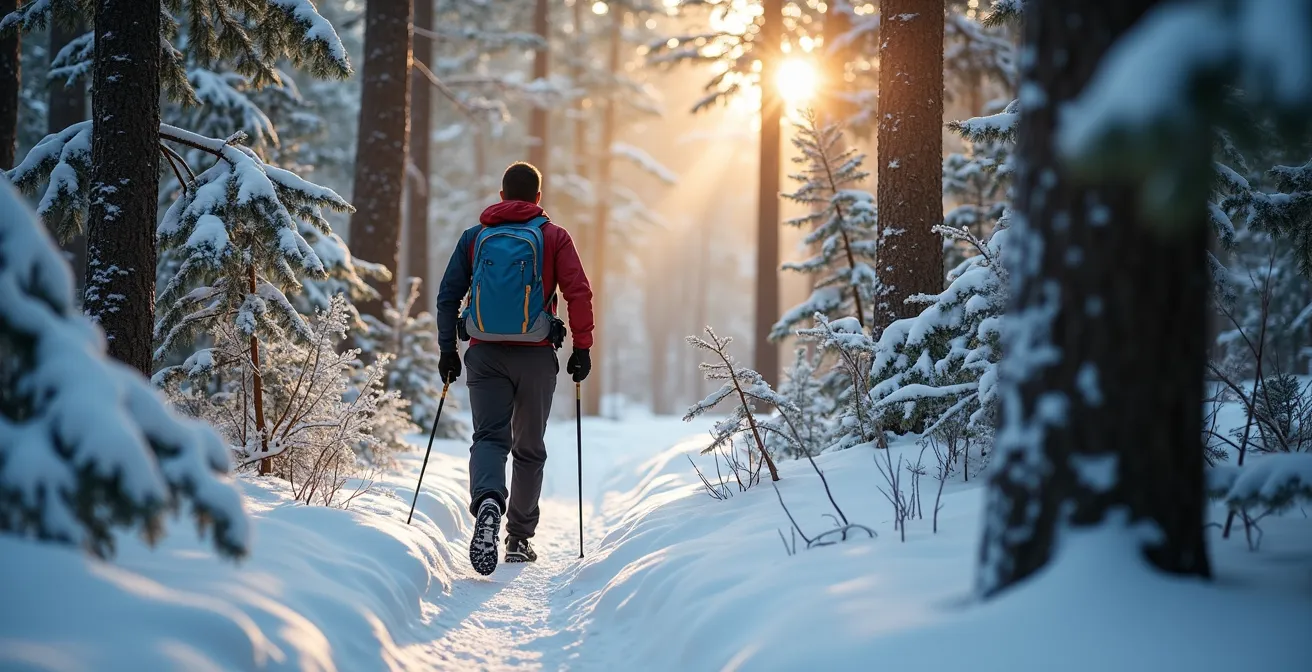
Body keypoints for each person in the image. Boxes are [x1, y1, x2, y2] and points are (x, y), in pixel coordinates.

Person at [435, 161, 594, 575]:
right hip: (536, 355)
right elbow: (578, 292)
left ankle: (488, 500)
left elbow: (449, 293)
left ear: (501, 195)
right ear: (538, 198)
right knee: (529, 447)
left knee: (489, 437)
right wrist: (583, 347)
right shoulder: (554, 236)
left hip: (484, 353)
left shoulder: (476, 237)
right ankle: (519, 538)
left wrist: (447, 349)